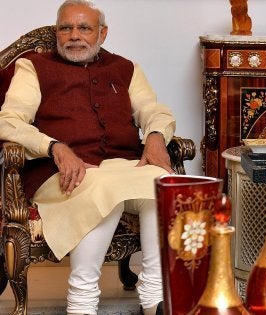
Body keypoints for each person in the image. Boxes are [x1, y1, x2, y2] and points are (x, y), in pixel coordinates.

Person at [0, 1, 175, 314]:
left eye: (84, 28)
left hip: (123, 166)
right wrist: (54, 146)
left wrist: (156, 136)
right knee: (97, 187)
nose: (74, 35)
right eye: (66, 27)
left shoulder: (126, 68)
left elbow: (152, 109)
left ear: (102, 33)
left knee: (163, 182)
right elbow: (8, 120)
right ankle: (81, 303)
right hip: (59, 173)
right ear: (57, 32)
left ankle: (155, 297)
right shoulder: (33, 67)